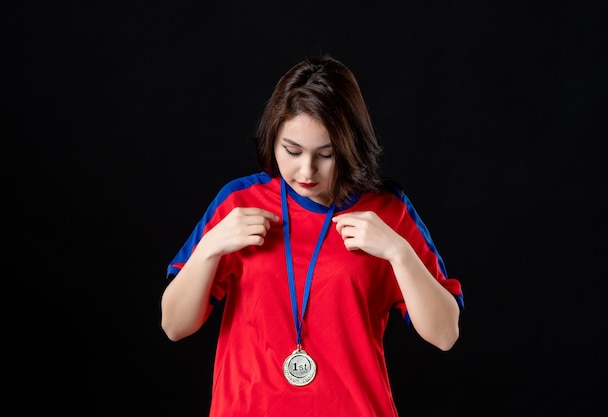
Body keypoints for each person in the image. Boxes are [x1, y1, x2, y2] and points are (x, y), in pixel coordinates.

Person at [161, 55, 464, 417]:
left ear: (351, 147)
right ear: (272, 139)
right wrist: (210, 248)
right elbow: (174, 326)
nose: (306, 171)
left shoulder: (386, 211)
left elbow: (445, 335)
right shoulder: (239, 203)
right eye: (291, 151)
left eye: (326, 154)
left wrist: (399, 253)